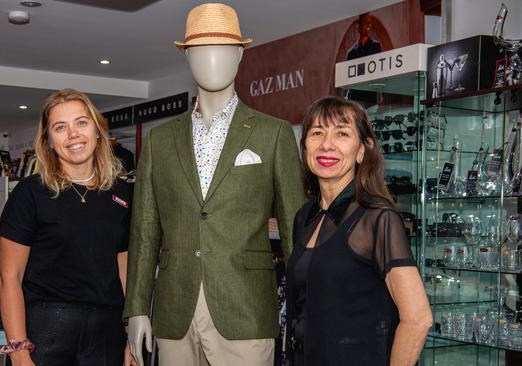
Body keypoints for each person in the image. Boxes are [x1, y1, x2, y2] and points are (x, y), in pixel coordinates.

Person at [124, 3, 306, 366]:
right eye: (202, 49)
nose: (212, 59)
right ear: (187, 56)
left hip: (246, 310)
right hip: (175, 310)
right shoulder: (160, 141)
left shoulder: (273, 134)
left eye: (223, 49)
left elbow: (294, 230)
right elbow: (145, 231)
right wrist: (137, 308)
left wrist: (305, 310)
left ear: (239, 55)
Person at [286, 97, 432, 365]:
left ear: (362, 151)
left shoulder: (378, 218)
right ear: (305, 145)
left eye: (342, 133)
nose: (326, 144)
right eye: (317, 133)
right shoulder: (304, 217)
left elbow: (418, 319)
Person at [0, 88, 135, 366]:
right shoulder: (30, 193)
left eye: (81, 123)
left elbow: (125, 272)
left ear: (98, 131)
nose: (73, 134)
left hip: (106, 330)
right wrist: (20, 351)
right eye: (60, 127)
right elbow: (8, 277)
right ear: (48, 141)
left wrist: (130, 336)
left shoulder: (122, 194)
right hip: (48, 329)